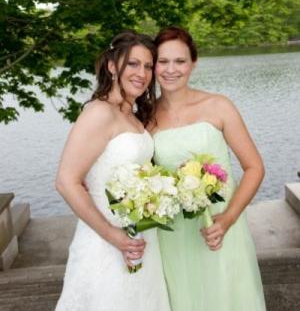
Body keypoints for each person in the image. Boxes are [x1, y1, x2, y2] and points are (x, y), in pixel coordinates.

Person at [151, 27, 266, 311]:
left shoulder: (219, 106)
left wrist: (227, 218)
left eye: (179, 61)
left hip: (221, 227)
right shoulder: (145, 116)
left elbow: (254, 168)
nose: (170, 70)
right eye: (162, 61)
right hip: (172, 234)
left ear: (193, 64)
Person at [55, 31, 170, 311]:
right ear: (111, 66)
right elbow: (66, 181)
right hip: (104, 241)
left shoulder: (131, 114)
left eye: (147, 66)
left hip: (140, 238)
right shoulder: (99, 113)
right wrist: (112, 235)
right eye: (132, 64)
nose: (141, 73)